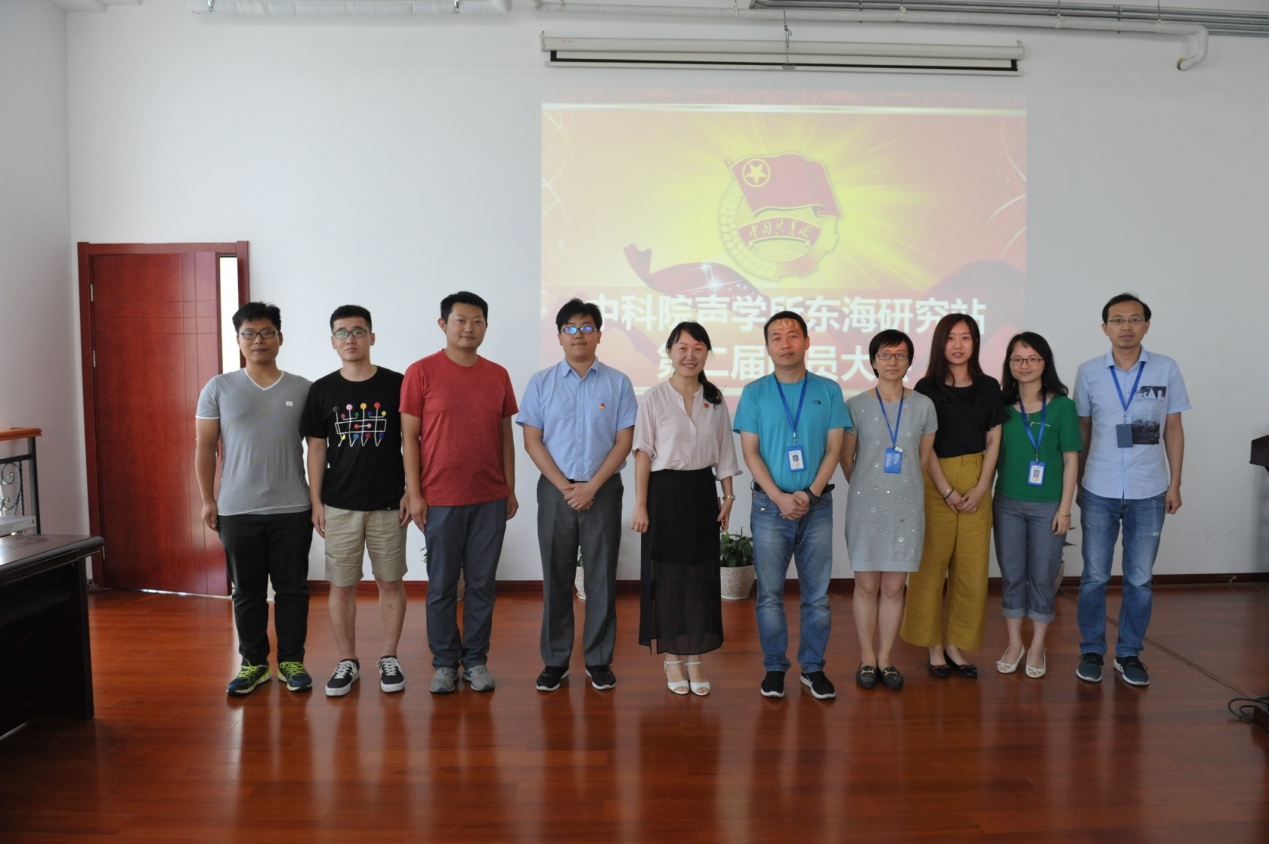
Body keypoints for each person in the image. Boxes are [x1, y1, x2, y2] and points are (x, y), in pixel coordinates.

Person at [401, 291, 518, 694]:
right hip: (440, 498)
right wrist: (414, 493)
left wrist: (509, 488)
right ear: (443, 324)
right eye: (460, 320)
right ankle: (444, 663)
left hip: (489, 497)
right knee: (442, 586)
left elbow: (505, 437)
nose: (469, 328)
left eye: (477, 321)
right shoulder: (421, 372)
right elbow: (409, 438)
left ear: (486, 326)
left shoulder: (498, 374)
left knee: (482, 584)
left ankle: (476, 661)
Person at [195, 302, 314, 695]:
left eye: (266, 332)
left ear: (280, 337)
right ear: (238, 340)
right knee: (246, 592)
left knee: (292, 590)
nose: (258, 340)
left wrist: (317, 501)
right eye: (249, 334)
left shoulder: (303, 388)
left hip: (292, 508)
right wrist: (208, 500)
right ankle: (253, 664)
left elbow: (317, 449)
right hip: (236, 510)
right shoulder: (219, 388)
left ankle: (292, 661)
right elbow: (205, 446)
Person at [518, 299, 636, 693]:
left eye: (586, 328)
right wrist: (566, 487)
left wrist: (591, 487)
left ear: (599, 335)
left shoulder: (618, 382)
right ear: (559, 336)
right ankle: (555, 661)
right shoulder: (541, 382)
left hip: (603, 489)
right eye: (570, 328)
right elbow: (532, 441)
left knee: (601, 577)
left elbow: (623, 442)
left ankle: (599, 660)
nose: (579, 335)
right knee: (556, 575)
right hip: (556, 490)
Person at [734, 311, 851, 700]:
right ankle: (774, 668)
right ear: (767, 347)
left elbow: (834, 448)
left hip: (817, 506)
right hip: (769, 507)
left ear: (806, 342)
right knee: (769, 594)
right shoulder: (754, 392)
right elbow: (750, 452)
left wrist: (810, 494)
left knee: (817, 596)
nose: (785, 343)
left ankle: (813, 668)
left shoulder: (828, 390)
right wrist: (780, 496)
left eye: (793, 335)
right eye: (776, 337)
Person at [1073, 293, 1188, 687]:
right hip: (1099, 487)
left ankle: (1129, 654)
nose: (1126, 326)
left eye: (1135, 319)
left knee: (1139, 579)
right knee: (1094, 577)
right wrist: (1076, 484)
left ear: (1147, 326)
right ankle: (1091, 650)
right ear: (1104, 327)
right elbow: (1083, 430)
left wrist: (1175, 483)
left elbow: (1173, 428)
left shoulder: (1166, 368)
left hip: (1149, 488)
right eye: (1118, 319)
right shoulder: (1089, 372)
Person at [301, 305, 409, 697]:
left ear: (372, 337)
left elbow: (413, 442)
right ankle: (347, 660)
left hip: (388, 502)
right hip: (339, 504)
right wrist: (316, 501)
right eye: (342, 332)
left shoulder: (397, 384)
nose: (351, 339)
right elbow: (316, 449)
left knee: (390, 582)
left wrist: (412, 491)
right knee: (342, 585)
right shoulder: (322, 390)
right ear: (332, 341)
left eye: (359, 331)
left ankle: (389, 656)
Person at [630, 322, 742, 697]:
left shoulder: (715, 398)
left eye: (697, 348)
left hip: (701, 493)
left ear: (706, 353)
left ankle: (694, 658)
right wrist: (641, 505)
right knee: (667, 577)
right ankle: (672, 658)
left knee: (699, 577)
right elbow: (642, 454)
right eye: (682, 348)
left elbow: (725, 451)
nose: (689, 355)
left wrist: (728, 498)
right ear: (670, 352)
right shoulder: (654, 397)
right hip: (664, 493)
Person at [901, 313, 1006, 679]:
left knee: (971, 571)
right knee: (930, 569)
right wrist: (945, 489)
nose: (958, 345)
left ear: (975, 342)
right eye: (951, 338)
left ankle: (956, 644)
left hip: (977, 478)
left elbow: (994, 438)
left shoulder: (989, 386)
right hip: (935, 478)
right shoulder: (926, 388)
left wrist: (981, 486)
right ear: (940, 343)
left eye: (966, 337)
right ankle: (932, 645)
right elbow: (923, 445)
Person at [840, 330, 937, 692]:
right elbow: (846, 459)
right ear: (873, 361)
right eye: (885, 354)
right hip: (865, 507)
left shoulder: (924, 406)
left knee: (895, 588)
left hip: (906, 507)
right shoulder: (856, 405)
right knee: (866, 586)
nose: (892, 361)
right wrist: (867, 488)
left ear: (910, 361)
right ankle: (867, 658)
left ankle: (885, 658)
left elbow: (923, 459)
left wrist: (899, 487)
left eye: (900, 355)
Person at [992, 332, 1081, 680]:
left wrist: (1065, 509)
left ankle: (1038, 645)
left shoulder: (1062, 407)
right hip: (1007, 505)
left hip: (1048, 507)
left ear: (1045, 362)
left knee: (1043, 577)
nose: (1024, 365)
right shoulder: (1000, 408)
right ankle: (1015, 643)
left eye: (1032, 359)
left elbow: (1071, 461)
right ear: (1009, 365)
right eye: (1017, 359)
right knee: (1013, 575)